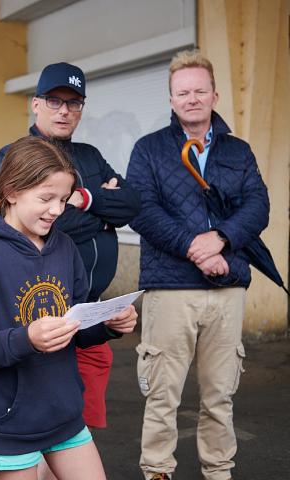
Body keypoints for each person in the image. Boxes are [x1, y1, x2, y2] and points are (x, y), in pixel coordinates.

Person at [0, 136, 137, 480]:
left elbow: (78, 327)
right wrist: (27, 339)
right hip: (8, 421)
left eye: (64, 200)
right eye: (46, 198)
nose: (57, 210)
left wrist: (110, 324)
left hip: (63, 410)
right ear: (10, 191)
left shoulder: (65, 247)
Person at [126, 49, 270, 480]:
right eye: (182, 92)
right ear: (171, 99)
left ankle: (219, 471)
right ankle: (157, 472)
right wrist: (195, 247)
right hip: (171, 290)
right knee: (163, 394)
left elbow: (258, 205)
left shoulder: (238, 151)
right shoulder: (148, 149)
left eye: (200, 91)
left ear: (215, 95)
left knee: (220, 395)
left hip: (227, 291)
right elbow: (142, 210)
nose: (192, 98)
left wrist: (222, 240)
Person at [0, 62, 141, 435]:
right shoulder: (13, 155)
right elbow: (48, 224)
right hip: (43, 320)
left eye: (74, 103)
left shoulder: (90, 156)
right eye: (54, 101)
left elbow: (131, 205)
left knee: (81, 430)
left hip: (91, 316)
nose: (64, 110)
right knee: (43, 432)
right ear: (35, 104)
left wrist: (87, 199)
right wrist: (102, 213)